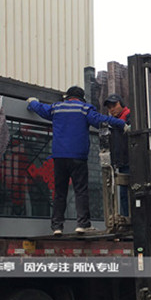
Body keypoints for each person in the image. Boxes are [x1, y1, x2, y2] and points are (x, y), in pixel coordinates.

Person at [27, 86, 127, 235]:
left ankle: (57, 227)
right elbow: (101, 120)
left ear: (67, 97)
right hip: (78, 156)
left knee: (60, 192)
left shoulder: (56, 107)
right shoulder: (84, 108)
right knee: (80, 190)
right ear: (82, 98)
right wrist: (121, 124)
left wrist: (32, 102)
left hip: (59, 156)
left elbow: (40, 108)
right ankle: (82, 224)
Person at [103, 93, 132, 217]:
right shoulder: (113, 123)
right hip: (121, 162)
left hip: (131, 161)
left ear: (121, 104)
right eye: (109, 107)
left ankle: (130, 216)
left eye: (114, 105)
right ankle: (126, 217)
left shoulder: (130, 117)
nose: (112, 109)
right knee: (123, 193)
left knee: (129, 192)